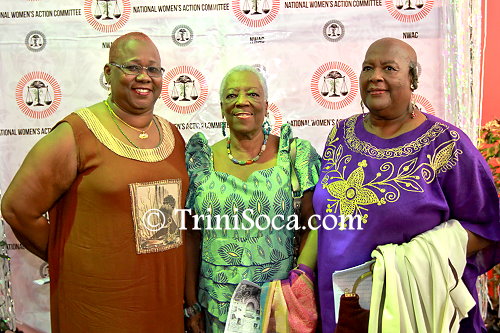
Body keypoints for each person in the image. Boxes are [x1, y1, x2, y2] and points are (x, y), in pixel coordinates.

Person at [0, 32, 189, 332]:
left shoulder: (173, 135)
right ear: (108, 72)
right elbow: (17, 208)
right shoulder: (77, 133)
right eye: (132, 67)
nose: (144, 77)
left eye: (153, 69)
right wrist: (69, 258)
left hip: (162, 305)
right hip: (98, 307)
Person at [313, 37, 500, 332]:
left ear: (412, 80)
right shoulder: (340, 134)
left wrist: (412, 259)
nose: (375, 76)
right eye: (367, 68)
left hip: (413, 309)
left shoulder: (446, 145)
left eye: (389, 68)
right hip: (342, 303)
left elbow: (488, 227)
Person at [184, 65, 321, 332]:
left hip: (278, 304)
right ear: (222, 107)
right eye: (232, 95)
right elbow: (191, 236)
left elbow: (312, 224)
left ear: (267, 106)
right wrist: (191, 304)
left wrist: (299, 284)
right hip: (216, 307)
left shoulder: (294, 156)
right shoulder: (201, 162)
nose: (242, 101)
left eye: (253, 94)